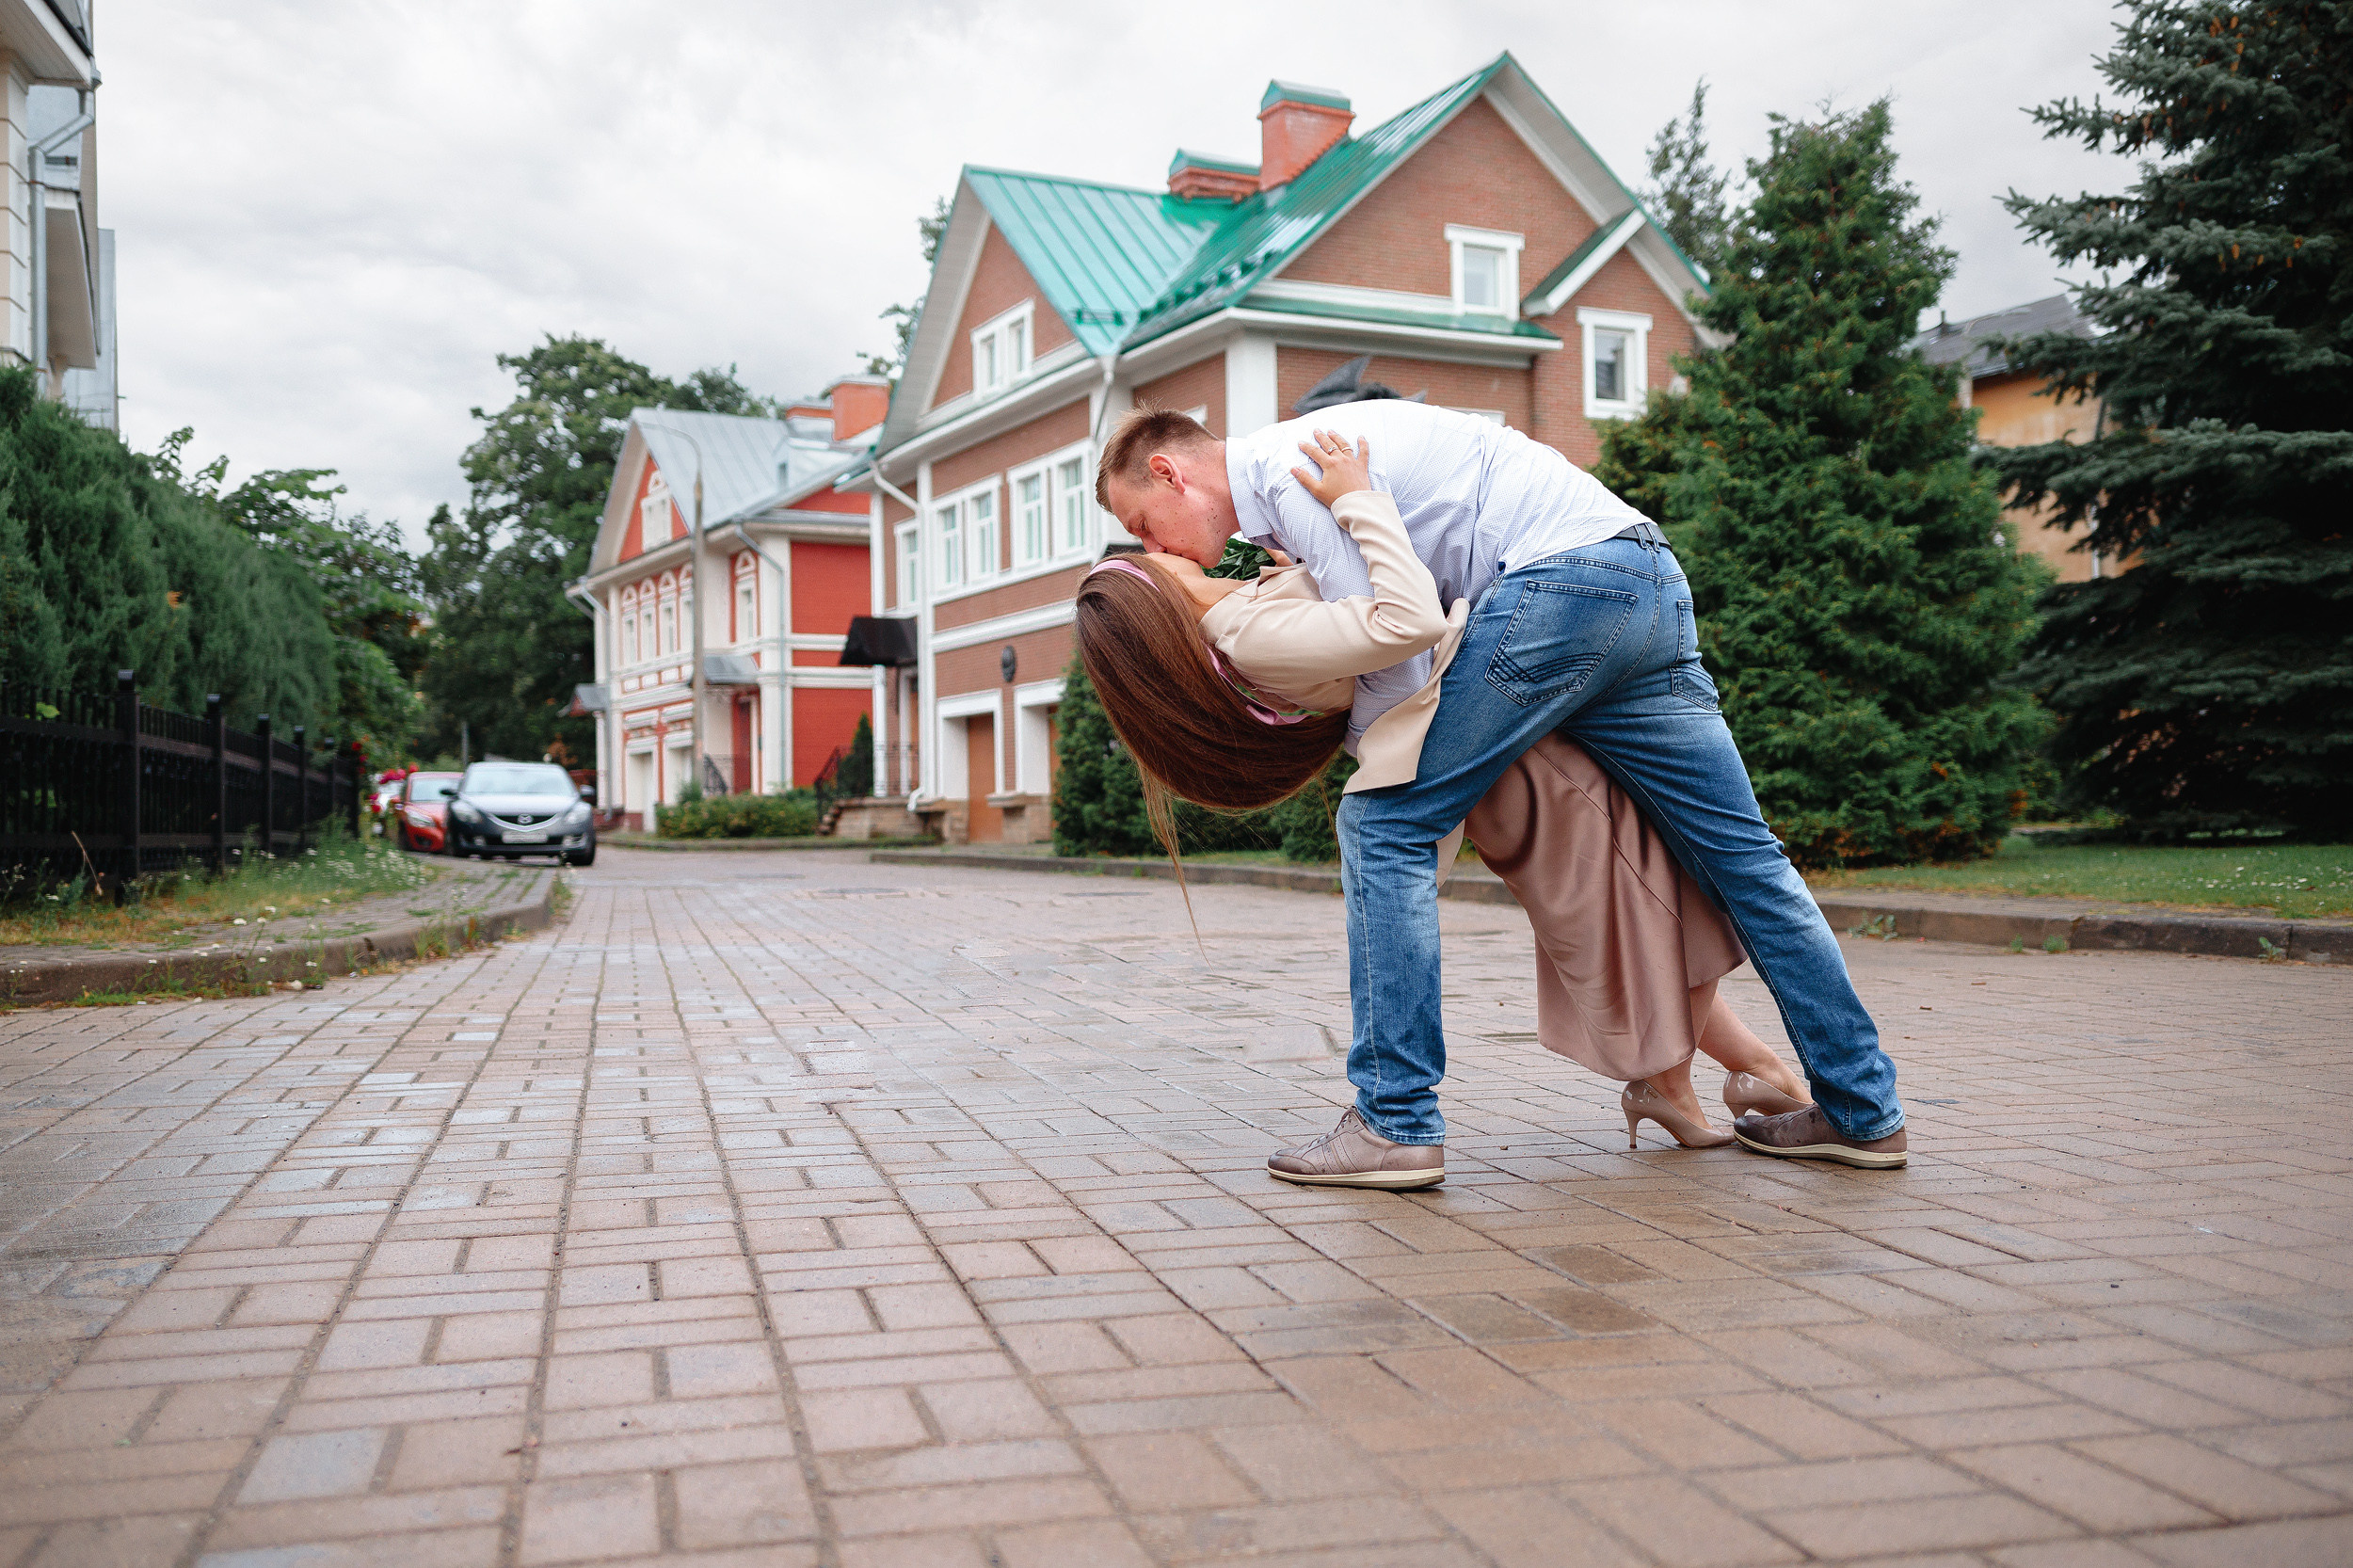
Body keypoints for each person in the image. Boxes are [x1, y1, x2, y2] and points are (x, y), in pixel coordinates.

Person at [1096, 404, 1908, 1175]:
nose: (1157, 548)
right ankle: (1863, 1112)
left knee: (1382, 828)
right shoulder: (1299, 473)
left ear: (1170, 473)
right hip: (1645, 570)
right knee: (1747, 862)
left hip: (1562, 585)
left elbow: (1395, 643)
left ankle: (1394, 1123)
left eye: (1142, 526)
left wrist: (1395, 780)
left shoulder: (1289, 471)